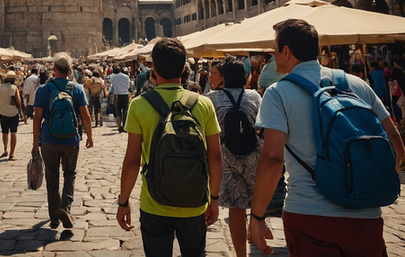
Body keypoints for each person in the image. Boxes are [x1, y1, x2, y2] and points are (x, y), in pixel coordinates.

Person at [250, 19, 405, 256]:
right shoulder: (357, 85)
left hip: (309, 214)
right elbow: (396, 143)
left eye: (274, 48)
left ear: (286, 51)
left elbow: (272, 158)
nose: (273, 54)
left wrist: (258, 216)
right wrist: (371, 184)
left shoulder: (277, 93)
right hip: (366, 216)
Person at [117, 37, 222, 257]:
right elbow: (215, 157)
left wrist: (124, 201)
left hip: (154, 202)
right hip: (195, 202)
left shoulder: (139, 104)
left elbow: (132, 160)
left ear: (153, 68)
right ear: (185, 68)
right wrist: (214, 199)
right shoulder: (203, 104)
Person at [31, 52, 93, 229]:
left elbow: (37, 118)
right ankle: (65, 207)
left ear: (54, 69)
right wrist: (90, 135)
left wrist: (35, 142)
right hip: (71, 140)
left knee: (52, 177)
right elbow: (86, 115)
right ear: (70, 71)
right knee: (70, 174)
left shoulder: (43, 90)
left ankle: (54, 217)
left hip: (48, 140)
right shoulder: (78, 89)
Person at [208, 58, 262, 257]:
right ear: (244, 76)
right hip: (253, 157)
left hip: (226, 160)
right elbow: (261, 126)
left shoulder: (212, 98)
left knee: (237, 209)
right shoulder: (254, 96)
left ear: (224, 77)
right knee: (257, 203)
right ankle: (259, 232)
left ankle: (241, 254)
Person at [0, 70, 26, 159]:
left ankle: (5, 150)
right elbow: (18, 101)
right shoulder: (14, 88)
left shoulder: (0, 87)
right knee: (13, 133)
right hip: (13, 112)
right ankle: (12, 154)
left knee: (4, 133)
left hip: (3, 112)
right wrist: (21, 111)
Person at [111, 66, 131, 132]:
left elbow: (113, 85)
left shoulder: (114, 77)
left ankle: (119, 125)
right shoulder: (126, 76)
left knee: (118, 111)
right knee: (125, 110)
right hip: (125, 94)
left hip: (117, 95)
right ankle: (125, 126)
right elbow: (128, 86)